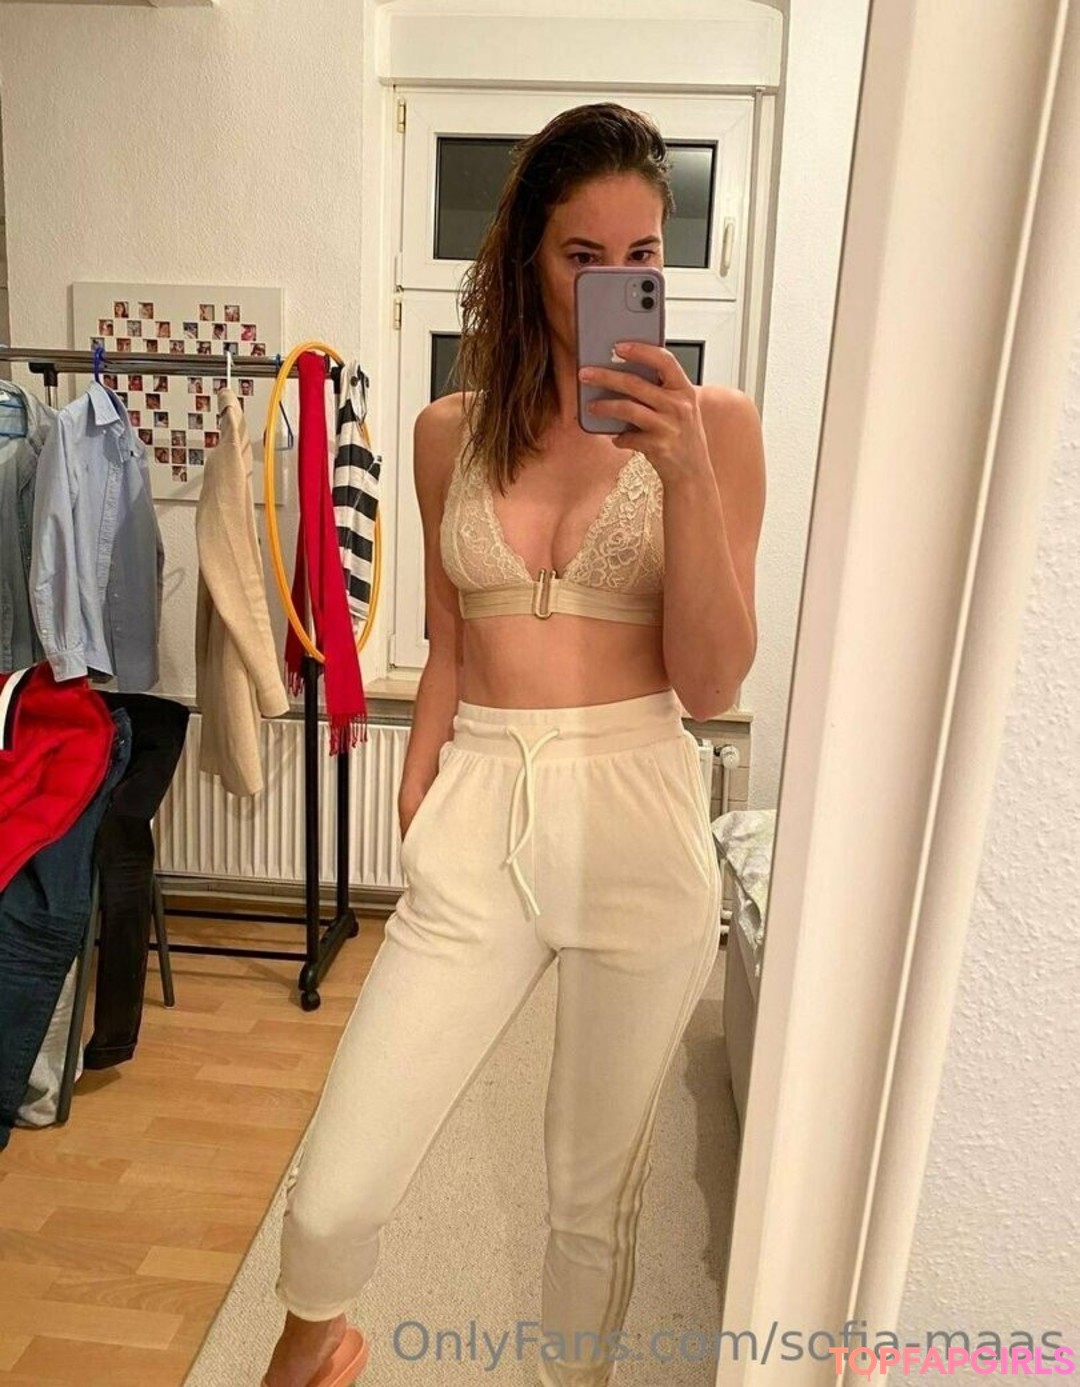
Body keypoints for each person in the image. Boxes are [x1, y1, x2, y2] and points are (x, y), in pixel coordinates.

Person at [263, 102, 765, 1387]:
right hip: (478, 804)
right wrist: (421, 788)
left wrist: (687, 475)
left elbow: (713, 679)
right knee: (335, 1187)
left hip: (638, 805)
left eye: (640, 258)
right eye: (581, 256)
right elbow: (451, 637)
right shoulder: (450, 432)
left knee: (589, 1201)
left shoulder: (716, 427)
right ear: (525, 259)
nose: (613, 283)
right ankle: (312, 1341)